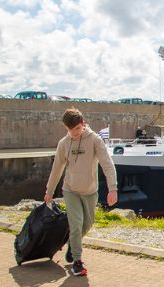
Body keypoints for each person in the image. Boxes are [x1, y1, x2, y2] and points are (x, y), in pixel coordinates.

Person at [44, 108, 118, 276]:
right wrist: (49, 191)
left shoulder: (95, 140)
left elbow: (107, 164)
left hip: (90, 191)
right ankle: (77, 261)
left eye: (78, 128)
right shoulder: (63, 143)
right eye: (72, 130)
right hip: (70, 190)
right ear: (66, 127)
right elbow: (57, 169)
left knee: (88, 223)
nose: (75, 133)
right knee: (76, 224)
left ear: (83, 124)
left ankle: (72, 243)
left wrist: (112, 189)